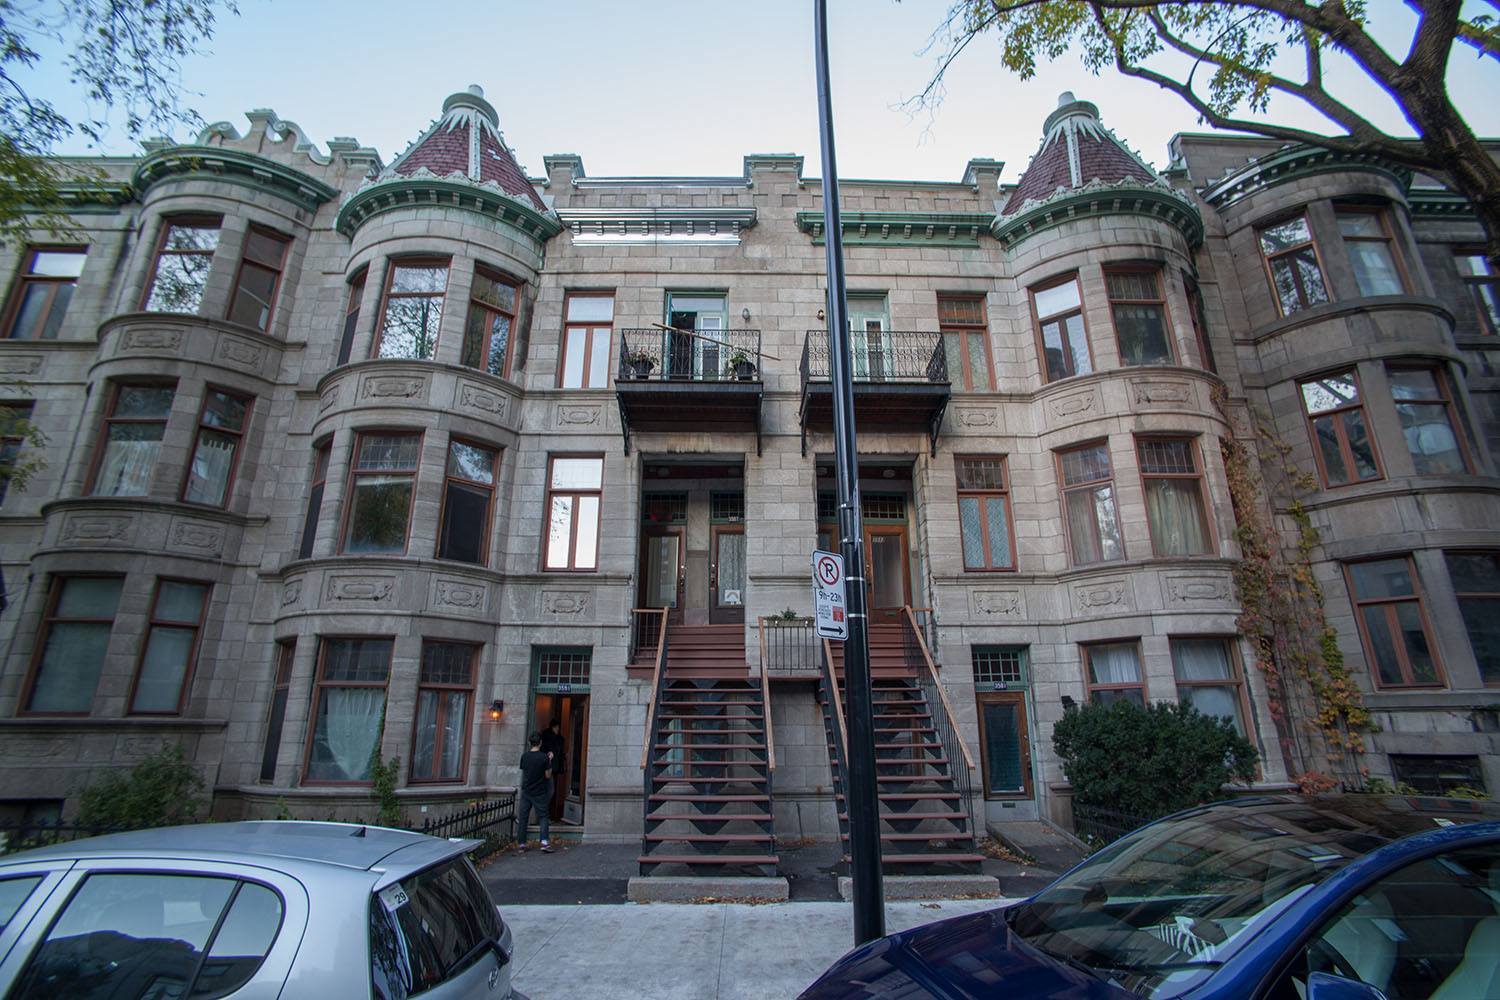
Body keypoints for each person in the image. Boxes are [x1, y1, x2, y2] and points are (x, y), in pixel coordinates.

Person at [515, 731, 553, 853]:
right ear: (540, 742)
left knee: (524, 817)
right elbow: (547, 775)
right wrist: (550, 761)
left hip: (527, 790)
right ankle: (544, 842)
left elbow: (524, 771)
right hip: (539, 791)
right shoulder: (543, 757)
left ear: (530, 743)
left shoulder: (524, 757)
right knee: (543, 817)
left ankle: (521, 843)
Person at [540, 718, 567, 820]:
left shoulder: (558, 739)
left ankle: (545, 812)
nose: (558, 729)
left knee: (550, 790)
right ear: (553, 727)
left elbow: (559, 752)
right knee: (550, 790)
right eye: (557, 727)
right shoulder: (548, 739)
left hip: (554, 768)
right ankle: (543, 811)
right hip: (548, 769)